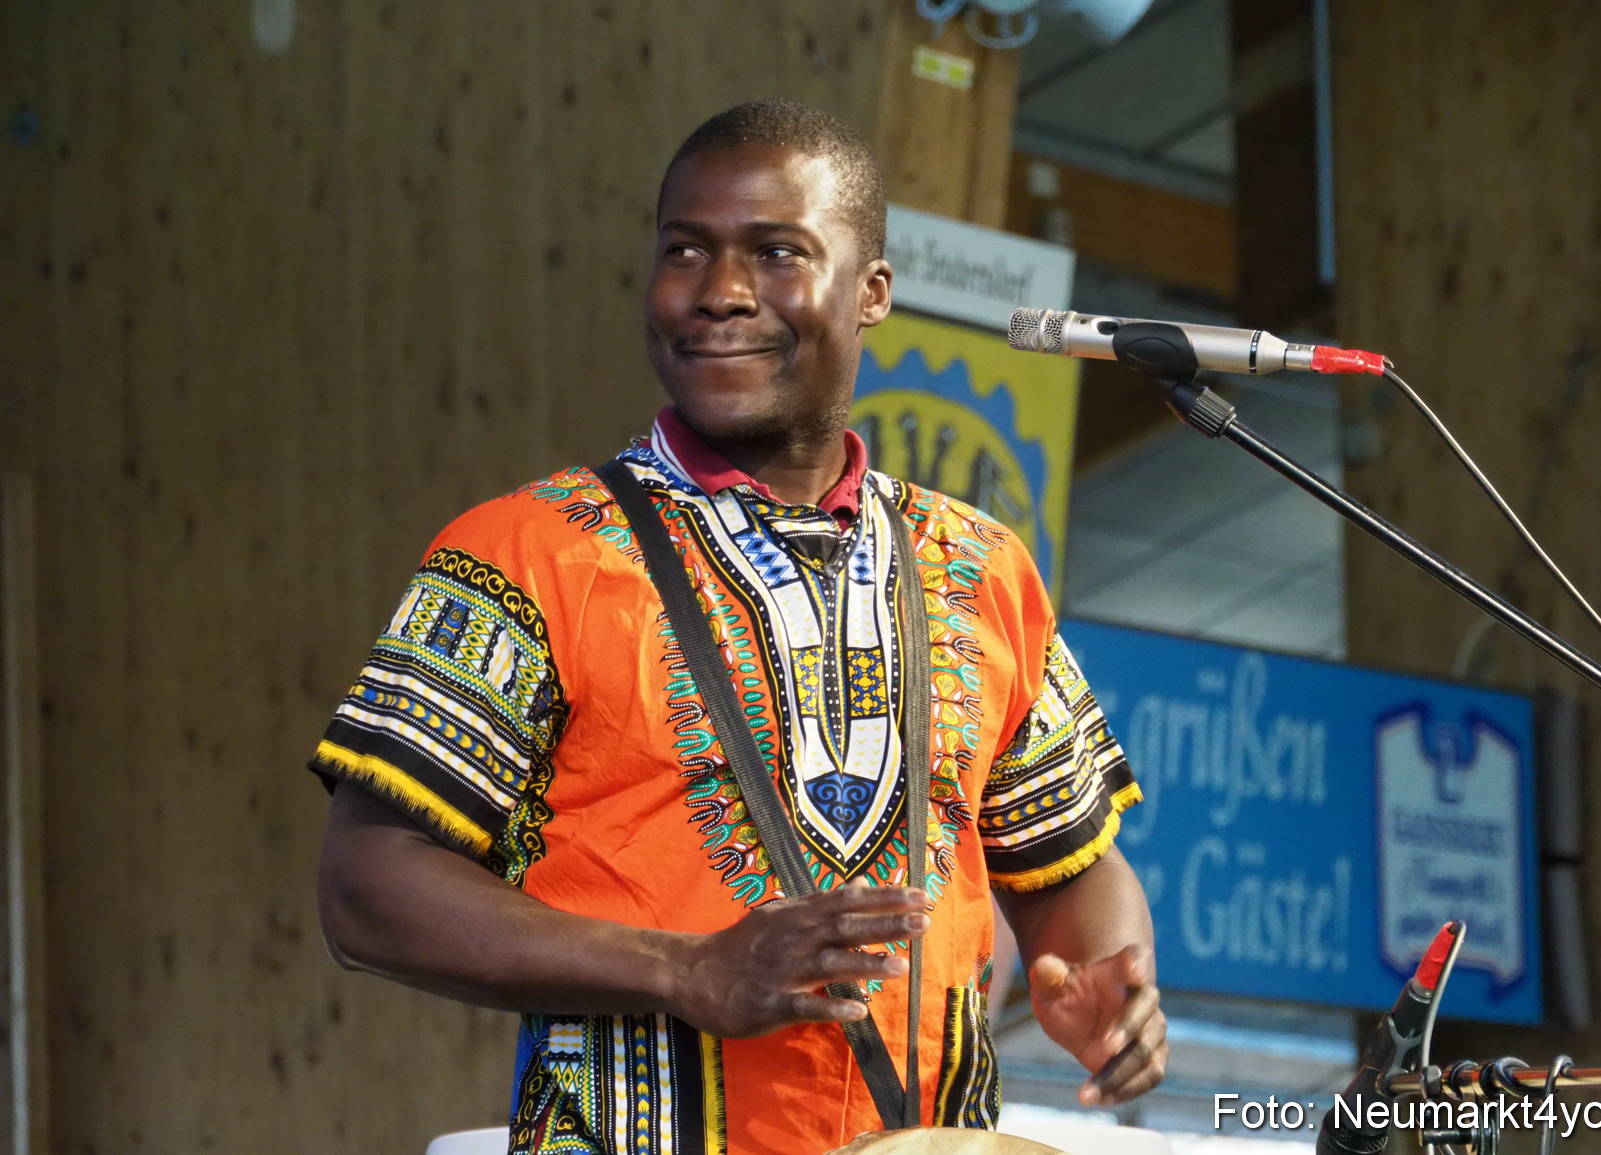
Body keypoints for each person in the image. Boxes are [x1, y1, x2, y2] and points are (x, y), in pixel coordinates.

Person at [313, 99, 1167, 1155]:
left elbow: (1070, 868)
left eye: (775, 253)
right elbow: (367, 886)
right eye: (685, 251)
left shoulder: (981, 566)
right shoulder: (525, 552)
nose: (719, 293)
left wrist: (1105, 980)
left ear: (872, 293)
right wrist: (685, 969)